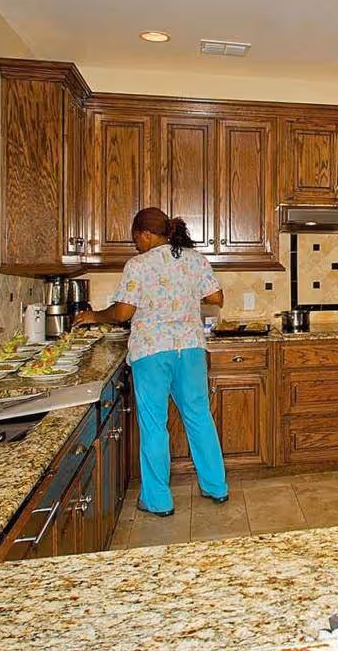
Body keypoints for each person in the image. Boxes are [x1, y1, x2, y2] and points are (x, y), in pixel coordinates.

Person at [74, 207, 228, 517]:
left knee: (154, 424)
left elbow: (122, 313)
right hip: (191, 349)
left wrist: (94, 316)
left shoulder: (139, 265)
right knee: (199, 417)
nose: (136, 245)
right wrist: (184, 295)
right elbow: (216, 299)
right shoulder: (195, 259)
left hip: (152, 351)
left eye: (136, 239)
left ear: (146, 234)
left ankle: (158, 501)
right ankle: (216, 487)